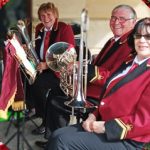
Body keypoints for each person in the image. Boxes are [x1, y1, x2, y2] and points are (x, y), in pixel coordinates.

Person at [35, 4, 138, 148]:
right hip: (92, 89)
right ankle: (54, 138)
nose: (116, 22)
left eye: (122, 19)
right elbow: (101, 64)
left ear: (133, 22)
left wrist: (84, 68)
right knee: (55, 93)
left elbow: (114, 77)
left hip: (101, 97)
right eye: (113, 18)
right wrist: (86, 62)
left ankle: (58, 141)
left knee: (56, 101)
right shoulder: (113, 40)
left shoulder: (130, 45)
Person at [28, 2, 75, 135]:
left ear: (55, 15)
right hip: (43, 68)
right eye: (42, 15)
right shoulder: (39, 28)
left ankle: (44, 120)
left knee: (38, 84)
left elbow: (68, 54)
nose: (46, 18)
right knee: (25, 76)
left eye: (49, 14)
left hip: (60, 71)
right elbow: (38, 50)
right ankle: (34, 109)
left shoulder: (64, 28)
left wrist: (46, 65)